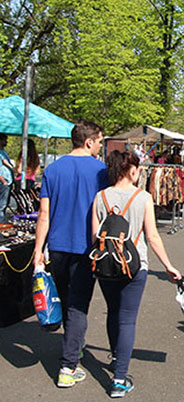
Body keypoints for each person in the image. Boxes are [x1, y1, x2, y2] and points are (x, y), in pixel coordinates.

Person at [92, 150, 181, 397]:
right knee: (127, 318)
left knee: (113, 312)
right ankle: (119, 379)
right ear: (130, 169)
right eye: (138, 167)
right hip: (135, 265)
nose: (140, 171)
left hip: (106, 265)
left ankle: (115, 358)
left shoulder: (100, 197)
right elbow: (152, 236)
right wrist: (168, 265)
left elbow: (94, 236)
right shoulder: (142, 198)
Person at [33, 121, 108, 388]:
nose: (100, 146)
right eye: (99, 141)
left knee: (65, 299)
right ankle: (68, 365)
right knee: (78, 305)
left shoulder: (52, 170)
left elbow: (43, 215)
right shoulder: (101, 171)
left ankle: (73, 344)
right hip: (87, 248)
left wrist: (38, 250)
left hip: (58, 246)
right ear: (89, 142)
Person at [0, 133, 15, 222]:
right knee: (1, 205)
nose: (6, 142)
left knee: (4, 205)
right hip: (2, 183)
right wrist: (3, 180)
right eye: (4, 140)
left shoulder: (3, 152)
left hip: (7, 182)